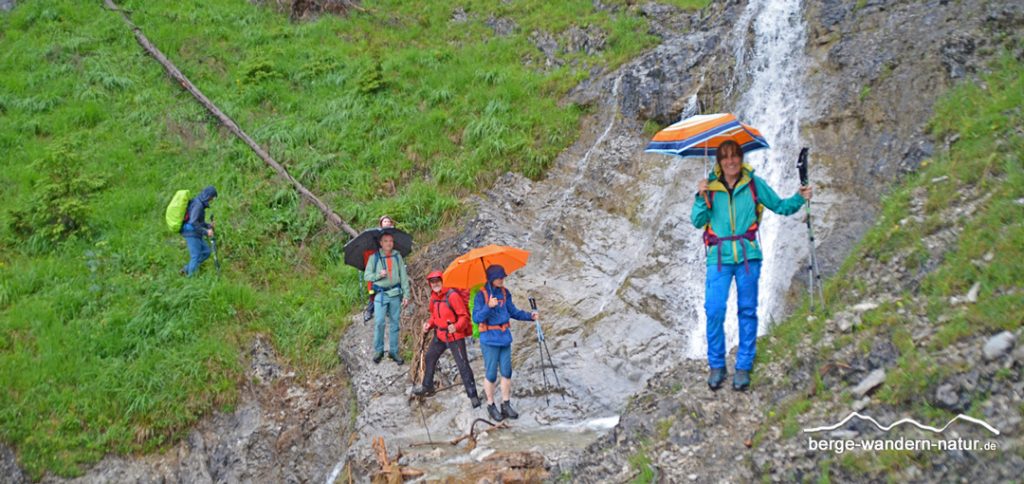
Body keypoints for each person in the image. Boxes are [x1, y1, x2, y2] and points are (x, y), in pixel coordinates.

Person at [692, 140, 812, 391]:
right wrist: (701, 197)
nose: (730, 161)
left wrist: (800, 198)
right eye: (725, 157)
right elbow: (697, 221)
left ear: (741, 158)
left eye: (734, 156)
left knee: (747, 310)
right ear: (718, 161)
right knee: (713, 309)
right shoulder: (709, 189)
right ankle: (717, 364)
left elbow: (780, 206)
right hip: (719, 257)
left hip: (748, 256)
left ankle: (743, 365)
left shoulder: (754, 184)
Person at [472, 264, 537, 421]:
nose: (502, 280)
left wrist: (530, 316)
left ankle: (505, 404)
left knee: (507, 372)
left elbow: (513, 312)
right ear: (492, 279)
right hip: (489, 339)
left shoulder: (504, 293)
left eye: (503, 277)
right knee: (491, 374)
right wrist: (488, 306)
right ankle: (491, 405)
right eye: (500, 277)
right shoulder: (481, 295)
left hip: (504, 338)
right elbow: (476, 318)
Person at [412, 271, 481, 408]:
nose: (435, 284)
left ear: (442, 281)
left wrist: (456, 326)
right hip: (440, 335)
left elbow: (464, 316)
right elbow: (434, 316)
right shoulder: (434, 298)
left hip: (454, 336)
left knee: (463, 365)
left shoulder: (453, 296)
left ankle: (473, 395)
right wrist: (429, 324)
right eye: (432, 282)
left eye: (438, 281)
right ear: (430, 284)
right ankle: (427, 386)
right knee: (430, 357)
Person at [364, 232, 410, 365]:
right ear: (381, 243)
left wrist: (406, 295)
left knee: (395, 323)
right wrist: (378, 275)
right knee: (379, 322)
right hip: (381, 295)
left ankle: (394, 351)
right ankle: (378, 350)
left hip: (395, 294)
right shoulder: (374, 257)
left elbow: (403, 276)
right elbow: (367, 275)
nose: (389, 243)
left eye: (391, 241)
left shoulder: (397, 256)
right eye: (386, 241)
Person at [362, 215, 396, 322]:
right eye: (384, 221)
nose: (386, 223)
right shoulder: (373, 238)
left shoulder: (394, 235)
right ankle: (370, 310)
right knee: (373, 291)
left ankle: (386, 309)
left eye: (388, 221)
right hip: (376, 268)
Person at [180, 186, 217, 277]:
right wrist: (206, 232)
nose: (211, 200)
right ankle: (190, 279)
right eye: (212, 198)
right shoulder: (198, 205)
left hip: (196, 232)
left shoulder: (200, 203)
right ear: (208, 196)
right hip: (191, 232)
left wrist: (209, 226)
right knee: (195, 256)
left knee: (206, 252)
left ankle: (187, 269)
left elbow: (199, 222)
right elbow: (193, 222)